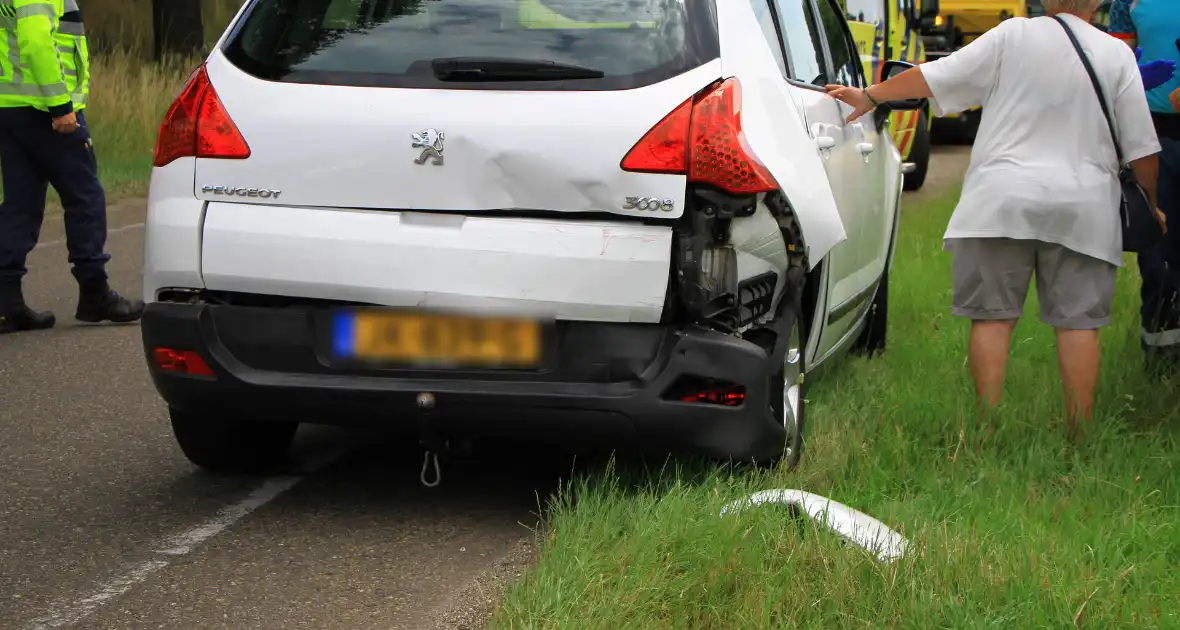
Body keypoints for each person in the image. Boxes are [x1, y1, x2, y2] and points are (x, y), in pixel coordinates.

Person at [826, 0, 1162, 439]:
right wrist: (1151, 203)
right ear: (1097, 2)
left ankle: (987, 428)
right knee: (1079, 324)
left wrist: (869, 96)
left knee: (992, 318)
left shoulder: (1010, 37)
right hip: (1084, 208)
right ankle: (1079, 436)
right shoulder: (1115, 54)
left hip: (1000, 201)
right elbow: (1142, 149)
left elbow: (933, 77)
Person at [0, 0, 143, 335]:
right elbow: (36, 41)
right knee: (85, 197)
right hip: (44, 110)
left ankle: (6, 302)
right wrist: (60, 106)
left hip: (10, 105)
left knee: (20, 204)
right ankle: (94, 292)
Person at [1107, 0, 1180, 373]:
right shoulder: (1127, 1)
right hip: (1155, 134)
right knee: (1158, 254)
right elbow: (1115, 66)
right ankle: (1162, 364)